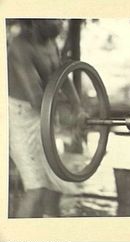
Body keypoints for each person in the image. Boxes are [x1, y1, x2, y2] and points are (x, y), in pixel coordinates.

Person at [7, 19, 80, 218]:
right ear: (35, 20)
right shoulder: (20, 45)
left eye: (60, 18)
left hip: (43, 113)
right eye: (52, 17)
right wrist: (65, 119)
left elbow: (60, 74)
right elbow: (36, 96)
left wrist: (78, 107)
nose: (59, 22)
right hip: (19, 115)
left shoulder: (50, 42)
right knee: (36, 188)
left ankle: (47, 236)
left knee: (54, 186)